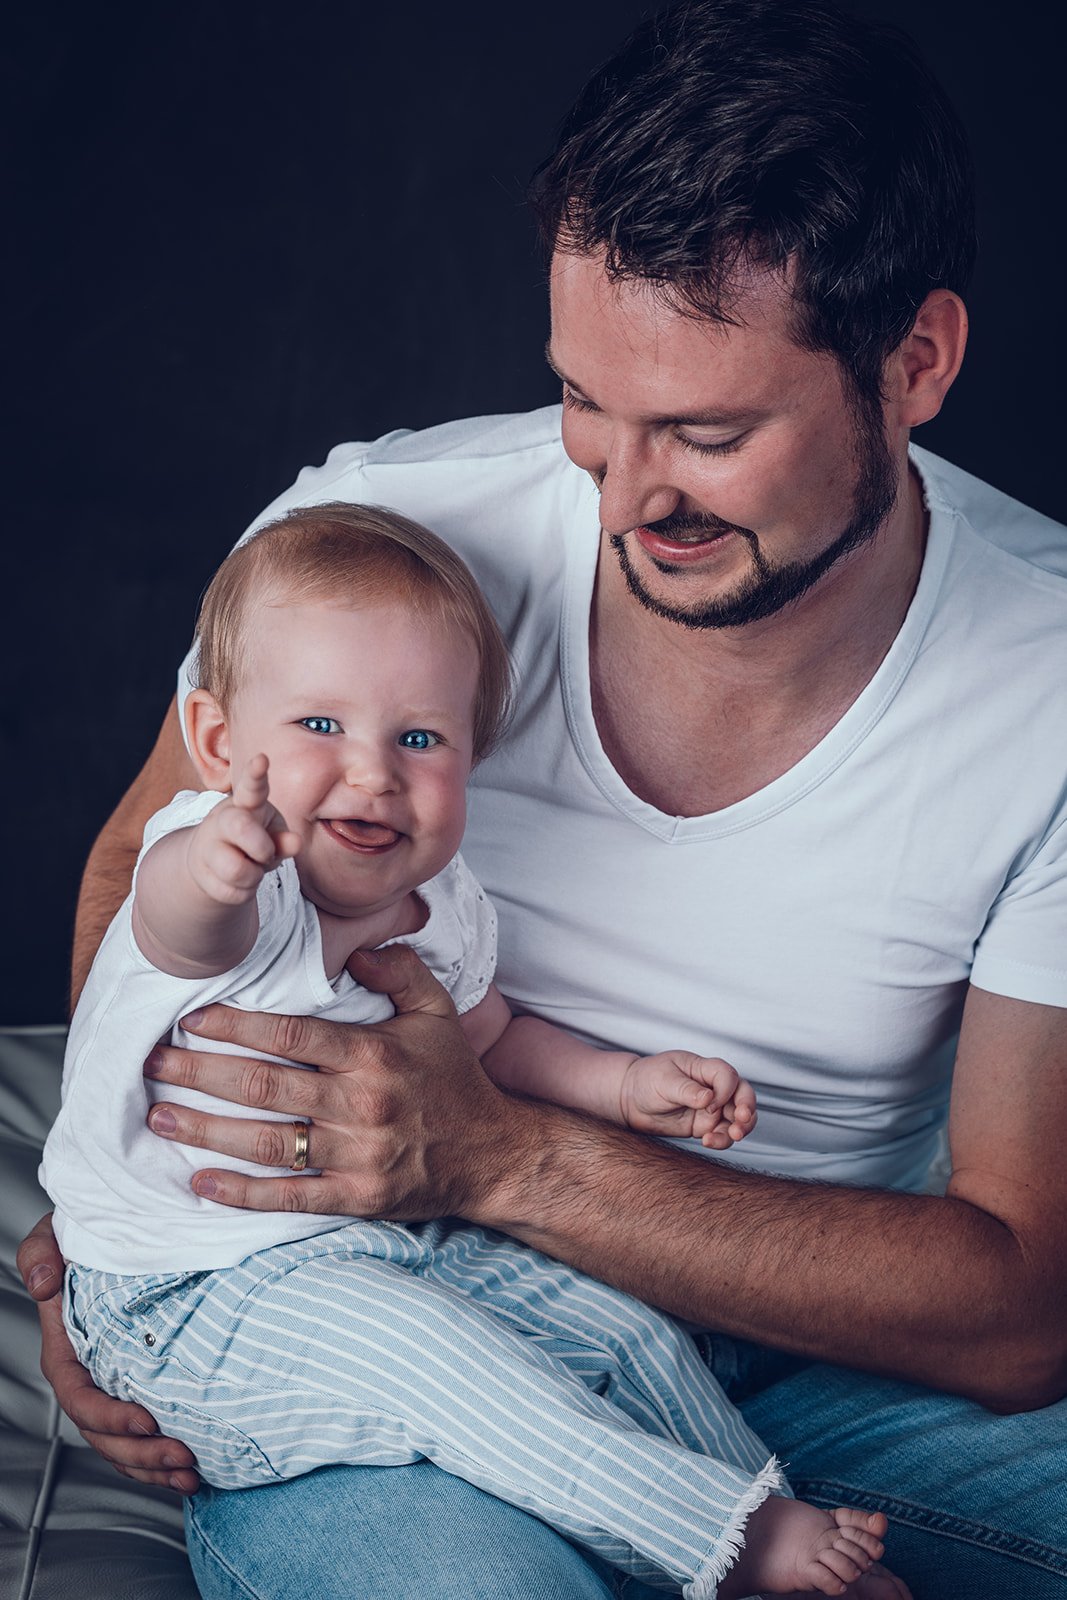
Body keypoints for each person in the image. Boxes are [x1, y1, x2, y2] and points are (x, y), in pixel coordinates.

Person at [18, 0, 1067, 1596]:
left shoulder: (1044, 679)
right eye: (588, 401)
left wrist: (496, 1154)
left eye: (706, 434)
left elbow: (1013, 1311)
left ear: (912, 362)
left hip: (837, 1358)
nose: (626, 495)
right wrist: (111, 1226)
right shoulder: (386, 547)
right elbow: (140, 867)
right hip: (403, 1317)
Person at [41, 503, 895, 1599]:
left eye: (417, 739)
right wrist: (220, 863)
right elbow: (174, 928)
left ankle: (760, 1522)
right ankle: (721, 1549)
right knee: (439, 1362)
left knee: (619, 1331)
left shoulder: (442, 901)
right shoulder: (212, 868)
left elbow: (491, 1042)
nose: (371, 772)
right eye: (316, 727)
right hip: (188, 1296)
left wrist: (625, 1085)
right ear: (217, 744)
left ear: (469, 756)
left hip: (390, 1245)